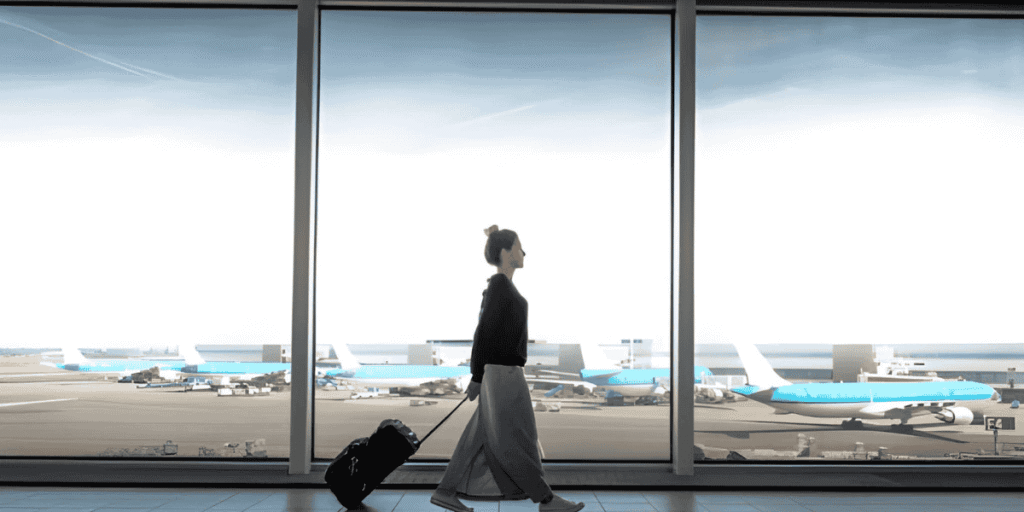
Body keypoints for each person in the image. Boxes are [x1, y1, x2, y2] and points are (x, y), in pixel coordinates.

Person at [430, 226, 584, 512]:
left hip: (502, 372)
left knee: (481, 436)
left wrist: (480, 376)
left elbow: (486, 332)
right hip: (502, 374)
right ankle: (546, 500)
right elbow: (484, 332)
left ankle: (446, 490)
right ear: (505, 251)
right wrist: (478, 376)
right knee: (517, 437)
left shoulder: (502, 286)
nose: (523, 252)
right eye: (519, 246)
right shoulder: (500, 285)